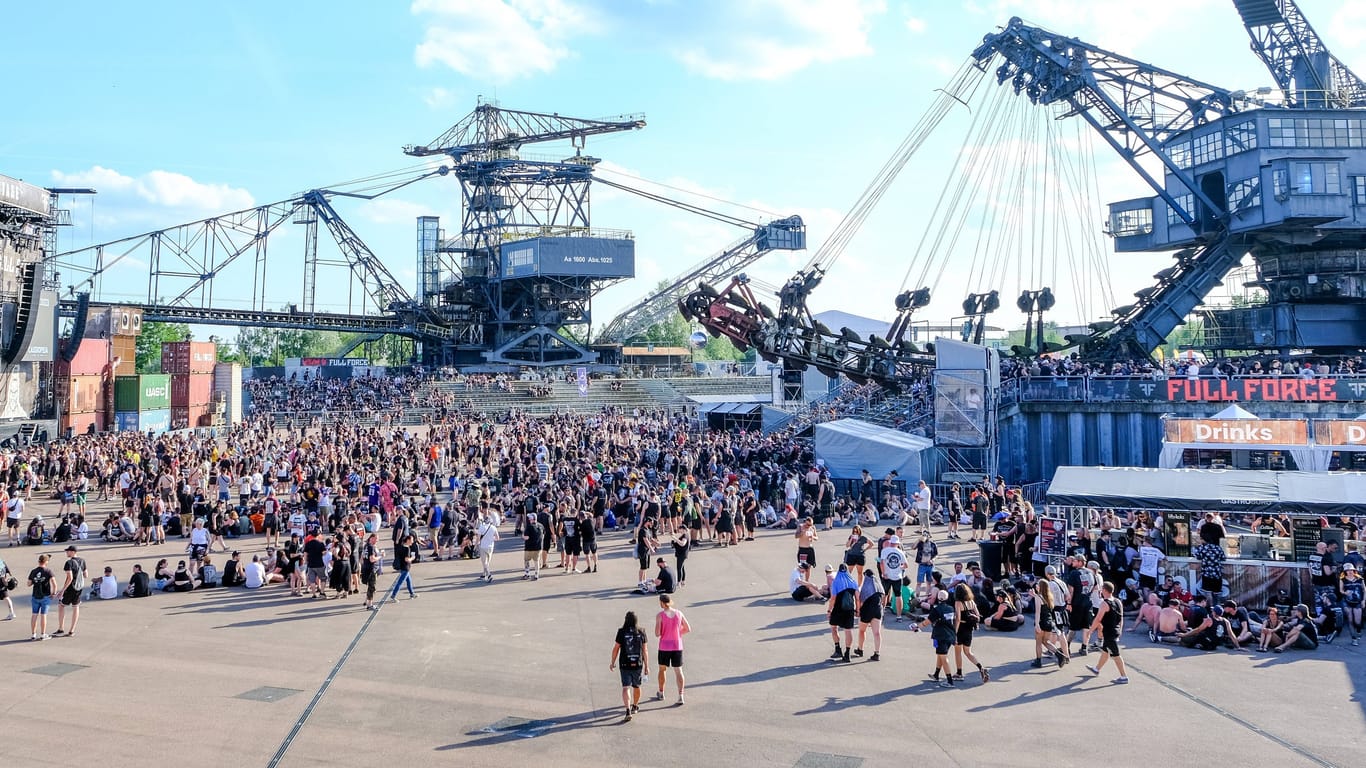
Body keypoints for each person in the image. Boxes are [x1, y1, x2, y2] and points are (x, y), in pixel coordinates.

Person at [1085, 581, 1129, 683]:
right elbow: (1121, 617)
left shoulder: (1104, 603)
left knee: (1116, 655)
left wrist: (1090, 631)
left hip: (1109, 632)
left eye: (1101, 589)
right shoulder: (1118, 601)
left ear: (1104, 590)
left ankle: (1124, 676)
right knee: (1105, 651)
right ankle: (1097, 669)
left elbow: (1098, 619)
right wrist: (1120, 630)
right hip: (1115, 630)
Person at [610, 610, 649, 722]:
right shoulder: (641, 632)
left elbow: (616, 648)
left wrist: (612, 662)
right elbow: (645, 650)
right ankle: (635, 706)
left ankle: (627, 709)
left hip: (624, 663)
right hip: (637, 664)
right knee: (637, 686)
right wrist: (647, 666)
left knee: (625, 687)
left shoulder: (622, 632)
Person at [916, 589, 957, 687]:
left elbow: (927, 622)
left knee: (943, 657)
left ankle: (949, 680)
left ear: (938, 598)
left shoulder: (937, 609)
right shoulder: (951, 608)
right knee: (940, 655)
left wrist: (917, 626)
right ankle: (936, 675)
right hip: (950, 635)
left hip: (941, 635)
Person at [654, 593, 690, 705]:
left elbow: (657, 633)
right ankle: (681, 695)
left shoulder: (660, 615)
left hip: (664, 646)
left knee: (662, 669)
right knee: (678, 671)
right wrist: (679, 634)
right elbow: (688, 628)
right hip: (677, 645)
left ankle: (661, 692)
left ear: (662, 603)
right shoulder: (679, 613)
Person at [951, 583, 989, 683]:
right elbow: (977, 615)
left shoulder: (958, 603)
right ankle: (981, 667)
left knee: (958, 651)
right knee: (968, 652)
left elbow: (958, 619)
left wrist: (955, 632)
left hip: (961, 628)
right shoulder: (971, 601)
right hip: (969, 629)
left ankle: (959, 673)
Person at [826, 563, 858, 663]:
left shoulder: (836, 582)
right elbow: (857, 598)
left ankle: (838, 648)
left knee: (834, 627)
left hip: (838, 609)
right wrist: (858, 609)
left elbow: (833, 598)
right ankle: (847, 653)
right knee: (848, 630)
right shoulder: (853, 582)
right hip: (849, 609)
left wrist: (829, 610)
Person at [1032, 579, 1067, 669]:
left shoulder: (1038, 597)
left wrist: (1037, 624)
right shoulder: (1050, 597)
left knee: (1039, 642)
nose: (1036, 586)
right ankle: (1059, 654)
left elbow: (1037, 612)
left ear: (1040, 587)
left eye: (1037, 585)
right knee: (1046, 641)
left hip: (1041, 622)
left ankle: (1038, 661)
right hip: (1049, 622)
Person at [53, 545, 86, 638]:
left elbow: (70, 577)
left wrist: (62, 590)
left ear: (72, 552)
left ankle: (61, 628)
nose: (66, 553)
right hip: (79, 587)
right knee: (76, 607)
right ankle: (72, 630)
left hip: (70, 588)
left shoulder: (69, 563)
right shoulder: (82, 561)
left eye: (68, 551)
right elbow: (86, 574)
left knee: (61, 605)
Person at [855, 566, 884, 661]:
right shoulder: (879, 586)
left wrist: (858, 610)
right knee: (877, 633)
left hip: (867, 611)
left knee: (862, 631)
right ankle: (877, 653)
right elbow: (883, 598)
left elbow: (861, 600)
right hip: (878, 610)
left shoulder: (866, 586)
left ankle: (860, 649)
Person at [28, 552, 55, 640]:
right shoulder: (48, 571)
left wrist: (36, 581)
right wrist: (53, 593)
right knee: (43, 615)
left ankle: (33, 634)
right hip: (45, 596)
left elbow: (29, 583)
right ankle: (43, 634)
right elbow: (54, 583)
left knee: (34, 614)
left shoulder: (33, 571)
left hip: (35, 595)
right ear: (46, 562)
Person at [388, 532, 417, 602]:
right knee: (400, 582)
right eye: (412, 540)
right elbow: (407, 559)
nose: (412, 541)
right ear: (408, 540)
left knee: (409, 581)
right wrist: (412, 558)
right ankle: (393, 595)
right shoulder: (407, 549)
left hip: (401, 566)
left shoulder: (401, 547)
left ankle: (412, 593)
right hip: (405, 567)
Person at [1340, 563, 1363, 646]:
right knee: (1350, 620)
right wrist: (1345, 593)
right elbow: (1341, 590)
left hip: (1357, 601)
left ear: (1354, 571)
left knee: (1357, 621)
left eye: (1351, 570)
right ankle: (1354, 638)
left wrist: (1364, 600)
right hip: (1347, 601)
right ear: (1345, 572)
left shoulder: (1360, 579)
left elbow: (1364, 590)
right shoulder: (1343, 580)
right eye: (1347, 571)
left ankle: (1358, 630)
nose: (1349, 572)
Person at [476, 511, 499, 582]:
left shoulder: (481, 527)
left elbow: (478, 538)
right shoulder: (493, 527)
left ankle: (488, 574)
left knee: (484, 562)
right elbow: (497, 538)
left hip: (483, 546)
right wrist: (491, 539)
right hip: (491, 546)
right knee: (487, 562)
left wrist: (476, 544)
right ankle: (483, 574)